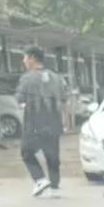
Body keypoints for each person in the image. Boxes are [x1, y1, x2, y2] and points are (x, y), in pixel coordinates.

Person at [16, 46, 66, 198]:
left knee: (27, 152)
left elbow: (20, 98)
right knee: (52, 155)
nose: (24, 61)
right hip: (54, 121)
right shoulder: (56, 78)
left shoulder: (27, 78)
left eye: (25, 57)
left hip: (34, 122)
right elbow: (64, 99)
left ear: (32, 58)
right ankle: (54, 186)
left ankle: (40, 179)